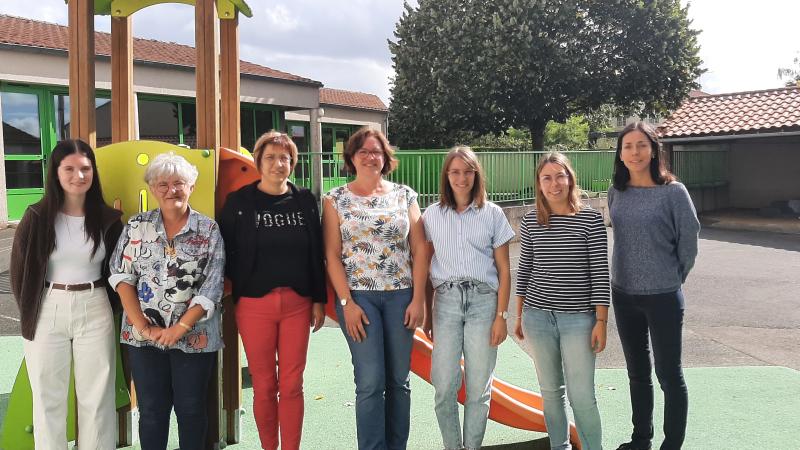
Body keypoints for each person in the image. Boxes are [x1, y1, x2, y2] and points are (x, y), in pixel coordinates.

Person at [11, 139, 122, 449]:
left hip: (95, 305)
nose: (78, 176)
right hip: (48, 308)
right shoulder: (36, 216)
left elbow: (119, 271)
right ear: (56, 172)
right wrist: (31, 311)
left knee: (97, 397)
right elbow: (20, 274)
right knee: (47, 397)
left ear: (94, 172)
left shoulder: (108, 220)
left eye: (85, 168)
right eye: (69, 169)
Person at [109, 152, 225, 450]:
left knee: (191, 409)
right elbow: (121, 277)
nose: (171, 190)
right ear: (152, 189)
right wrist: (144, 327)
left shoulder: (208, 229)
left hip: (195, 336)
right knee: (151, 411)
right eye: (162, 184)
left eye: (178, 183)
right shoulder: (136, 226)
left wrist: (179, 328)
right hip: (143, 338)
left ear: (191, 187)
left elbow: (212, 285)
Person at [219, 131, 326, 450]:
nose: (278, 164)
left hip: (297, 304)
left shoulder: (305, 200)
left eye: (284, 158)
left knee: (292, 384)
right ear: (258, 161)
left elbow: (316, 252)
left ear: (292, 163)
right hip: (254, 305)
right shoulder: (239, 202)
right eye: (270, 157)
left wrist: (319, 299)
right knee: (264, 385)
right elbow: (223, 249)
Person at [322, 128, 427, 450]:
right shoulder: (335, 199)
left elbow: (420, 249)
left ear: (386, 157)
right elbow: (331, 255)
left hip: (401, 296)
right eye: (363, 151)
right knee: (370, 382)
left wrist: (419, 300)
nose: (370, 157)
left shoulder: (405, 195)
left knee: (399, 381)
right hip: (359, 299)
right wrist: (347, 303)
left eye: (376, 151)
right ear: (352, 158)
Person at [608, 122, 700, 450]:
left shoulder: (673, 192)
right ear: (620, 154)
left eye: (641, 145)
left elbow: (689, 242)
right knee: (637, 372)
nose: (635, 152)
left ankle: (671, 444)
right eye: (628, 146)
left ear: (653, 150)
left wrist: (673, 277)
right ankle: (640, 439)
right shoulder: (616, 191)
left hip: (663, 296)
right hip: (623, 294)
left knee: (669, 375)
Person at [514, 152, 610, 450]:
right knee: (551, 392)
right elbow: (525, 268)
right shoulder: (531, 220)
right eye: (547, 178)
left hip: (579, 320)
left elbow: (600, 273)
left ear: (570, 179)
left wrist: (601, 321)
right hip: (537, 317)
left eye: (560, 176)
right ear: (539, 184)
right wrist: (518, 315)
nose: (554, 184)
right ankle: (560, 446)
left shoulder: (591, 219)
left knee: (582, 396)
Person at [421, 146, 514, 450]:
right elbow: (425, 265)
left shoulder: (493, 214)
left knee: (478, 387)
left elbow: (504, 270)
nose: (462, 178)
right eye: (455, 172)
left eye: (468, 172)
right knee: (444, 384)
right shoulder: (432, 215)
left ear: (477, 175)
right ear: (446, 176)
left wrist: (501, 317)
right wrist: (427, 312)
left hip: (484, 302)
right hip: (446, 302)